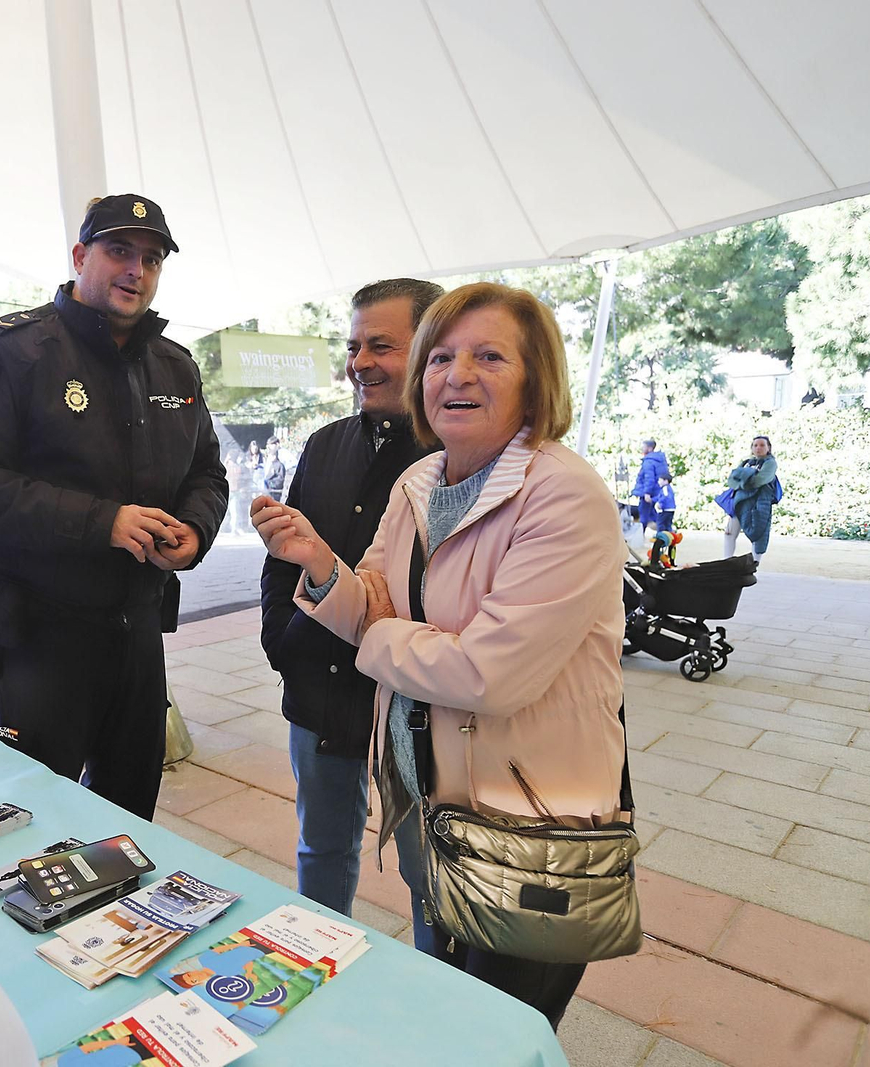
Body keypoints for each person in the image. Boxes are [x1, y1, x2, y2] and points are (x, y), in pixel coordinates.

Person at [252, 282, 626, 1029]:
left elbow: (488, 673)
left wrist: (378, 636)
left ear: (536, 378)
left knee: (496, 1028)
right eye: (442, 357)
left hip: (528, 826)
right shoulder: (420, 481)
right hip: (430, 795)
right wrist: (321, 565)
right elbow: (373, 596)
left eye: (490, 356)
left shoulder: (565, 495)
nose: (459, 374)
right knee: (443, 1002)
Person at [0, 194, 227, 820]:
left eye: (152, 259)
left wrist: (195, 530)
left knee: (130, 825)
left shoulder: (176, 367)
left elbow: (207, 472)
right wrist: (104, 523)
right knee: (31, 825)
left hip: (139, 634)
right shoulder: (9, 350)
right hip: (42, 636)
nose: (136, 270)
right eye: (119, 251)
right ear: (79, 256)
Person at [258, 277, 443, 918]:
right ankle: (315, 960)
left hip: (414, 707)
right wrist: (281, 638)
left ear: (432, 348)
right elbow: (284, 553)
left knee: (432, 873)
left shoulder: (457, 458)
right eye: (353, 346)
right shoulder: (325, 444)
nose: (360, 362)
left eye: (381, 346)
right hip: (320, 691)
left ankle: (438, 975)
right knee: (322, 849)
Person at [724, 435, 778, 561]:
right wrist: (745, 480)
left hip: (759, 504)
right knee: (729, 533)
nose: (758, 448)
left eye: (762, 445)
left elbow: (761, 479)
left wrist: (744, 481)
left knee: (758, 535)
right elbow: (732, 480)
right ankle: (726, 562)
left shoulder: (770, 463)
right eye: (755, 445)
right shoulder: (746, 463)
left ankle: (754, 565)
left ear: (768, 448)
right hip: (739, 503)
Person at [632, 437, 670, 536]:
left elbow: (649, 479)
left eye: (643, 447)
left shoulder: (649, 462)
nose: (641, 449)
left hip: (648, 493)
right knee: (653, 515)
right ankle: (667, 532)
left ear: (649, 448)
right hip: (657, 492)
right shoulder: (660, 460)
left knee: (643, 515)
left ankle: (640, 536)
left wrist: (647, 493)